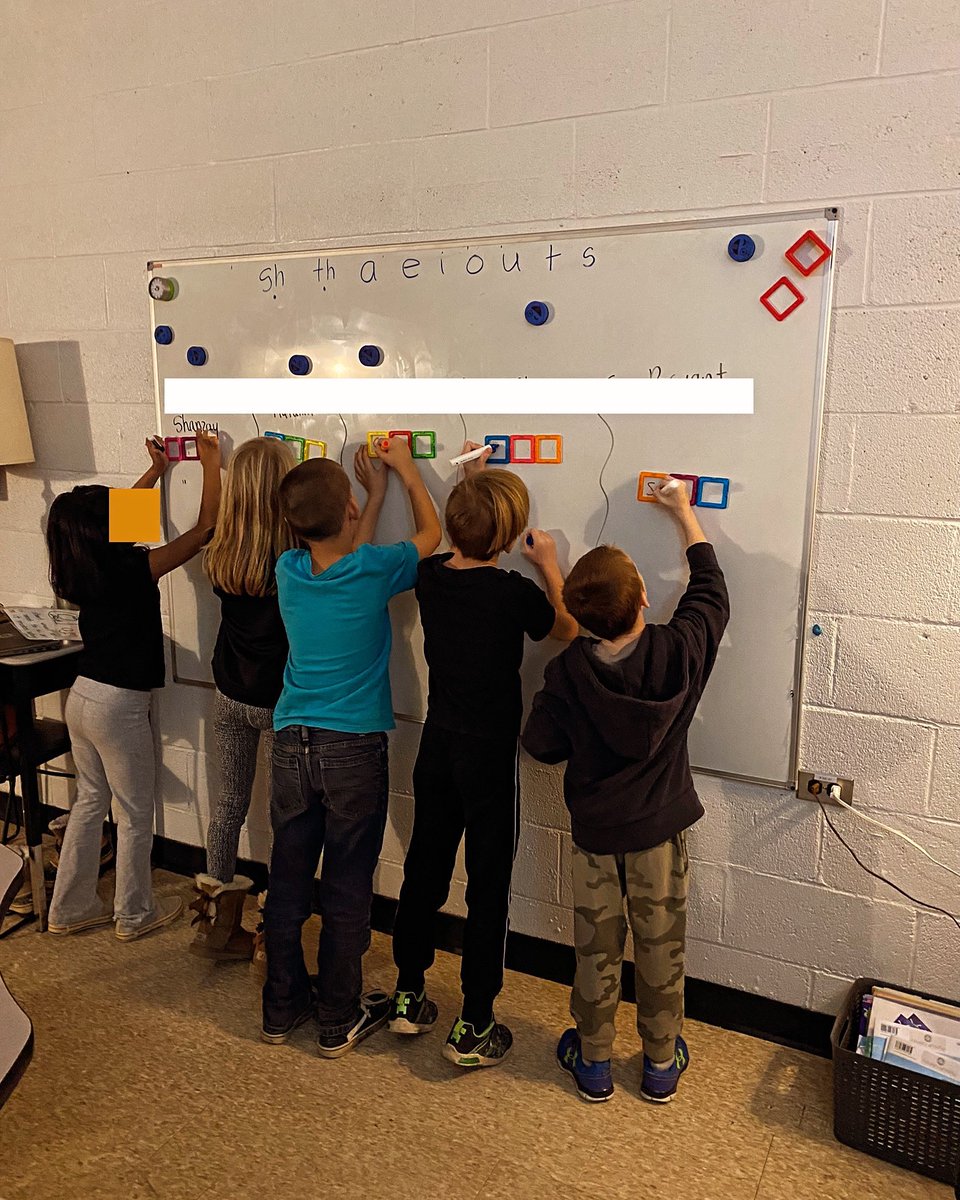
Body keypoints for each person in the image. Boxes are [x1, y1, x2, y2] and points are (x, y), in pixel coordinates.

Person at [522, 480, 729, 1103]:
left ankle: (592, 1062)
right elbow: (712, 594)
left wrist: (550, 572)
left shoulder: (567, 673)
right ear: (644, 599)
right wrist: (684, 514)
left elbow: (539, 744)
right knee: (661, 946)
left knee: (596, 946)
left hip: (595, 838)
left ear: (580, 620)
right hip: (659, 835)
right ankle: (661, 1065)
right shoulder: (678, 652)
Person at [388, 443, 578, 1068]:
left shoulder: (432, 576)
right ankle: (474, 1021)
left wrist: (473, 481)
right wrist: (551, 565)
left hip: (437, 746)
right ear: (511, 535)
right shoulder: (514, 591)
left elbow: (463, 539)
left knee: (425, 867)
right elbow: (565, 628)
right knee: (488, 884)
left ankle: (409, 995)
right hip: (489, 757)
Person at [261, 438, 441, 1056]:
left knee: (287, 876)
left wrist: (373, 494)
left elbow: (343, 553)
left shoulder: (288, 571)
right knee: (345, 885)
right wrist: (408, 476)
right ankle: (337, 1017)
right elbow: (432, 535)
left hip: (291, 744)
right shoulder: (376, 571)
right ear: (346, 514)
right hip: (352, 750)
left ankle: (280, 1008)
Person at [46, 431, 222, 939]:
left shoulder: (78, 567)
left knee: (89, 801)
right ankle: (133, 914)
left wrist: (158, 472)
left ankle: (69, 908)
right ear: (109, 529)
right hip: (118, 704)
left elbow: (115, 517)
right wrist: (211, 465)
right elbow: (206, 528)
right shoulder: (133, 568)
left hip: (82, 697)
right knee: (135, 812)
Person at [189, 436, 297, 962]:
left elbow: (208, 517)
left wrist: (212, 466)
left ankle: (214, 921)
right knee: (283, 815)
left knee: (227, 806)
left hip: (229, 693)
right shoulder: (295, 557)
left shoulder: (223, 549)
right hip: (279, 701)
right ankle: (273, 928)